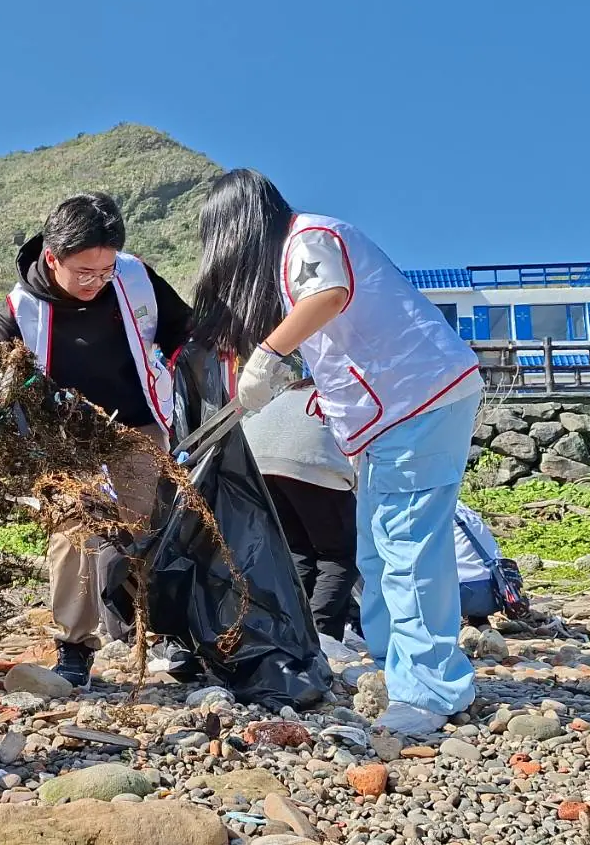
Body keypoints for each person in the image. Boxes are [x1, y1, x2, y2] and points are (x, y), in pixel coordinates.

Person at [190, 169, 482, 736]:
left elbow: (328, 296)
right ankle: (394, 663)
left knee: (407, 548)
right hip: (390, 416)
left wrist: (268, 354)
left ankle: (429, 690)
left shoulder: (309, 236)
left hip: (417, 402)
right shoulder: (292, 258)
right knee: (375, 549)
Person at [0, 192, 191, 688]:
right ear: (52, 257)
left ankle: (160, 632)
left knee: (146, 528)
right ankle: (74, 646)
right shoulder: (17, 311)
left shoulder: (135, 277)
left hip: (137, 427)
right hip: (64, 441)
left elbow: (183, 331)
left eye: (105, 271)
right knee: (74, 533)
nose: (96, 282)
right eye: (84, 273)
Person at [242, 384, 360, 644]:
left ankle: (293, 635)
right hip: (310, 460)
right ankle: (321, 637)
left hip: (257, 460)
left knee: (298, 551)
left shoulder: (291, 391)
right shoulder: (344, 389)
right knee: (342, 555)